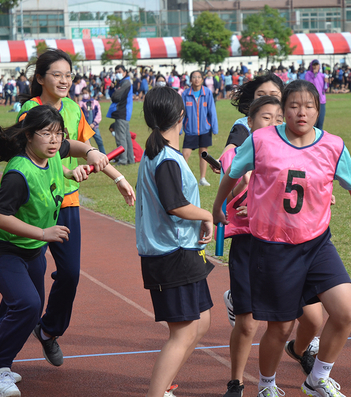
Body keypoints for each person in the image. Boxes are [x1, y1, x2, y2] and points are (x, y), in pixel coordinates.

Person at [213, 79, 351, 397]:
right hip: (274, 247)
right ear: (284, 109)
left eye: (309, 106)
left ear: (318, 109)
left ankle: (317, 377)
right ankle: (267, 385)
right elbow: (232, 174)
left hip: (316, 243)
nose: (302, 112)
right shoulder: (261, 141)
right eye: (294, 106)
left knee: (344, 312)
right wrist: (219, 207)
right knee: (282, 325)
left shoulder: (333, 145)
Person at [0, 105, 107, 397]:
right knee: (28, 305)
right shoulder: (19, 173)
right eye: (46, 134)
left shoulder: (51, 154)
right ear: (29, 135)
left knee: (28, 308)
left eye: (58, 134)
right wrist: (44, 233)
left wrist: (76, 167)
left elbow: (73, 151)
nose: (55, 140)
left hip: (30, 250)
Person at [17, 49, 135, 367]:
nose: (65, 80)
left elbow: (90, 149)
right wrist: (67, 171)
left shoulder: (73, 108)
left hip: (66, 203)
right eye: (57, 74)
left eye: (69, 75)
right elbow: (38, 153)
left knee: (69, 274)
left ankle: (48, 331)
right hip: (34, 205)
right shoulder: (29, 110)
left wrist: (118, 177)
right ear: (40, 78)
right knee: (26, 281)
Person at [136, 87, 214, 397]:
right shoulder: (166, 157)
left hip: (184, 251)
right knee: (182, 332)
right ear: (181, 116)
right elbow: (174, 204)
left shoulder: (163, 154)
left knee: (202, 321)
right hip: (171, 254)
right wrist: (206, 214)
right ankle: (158, 392)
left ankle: (165, 382)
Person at [181, 71, 218, 187]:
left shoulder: (207, 93)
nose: (196, 79)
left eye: (199, 77)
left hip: (205, 129)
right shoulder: (185, 94)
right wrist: (180, 129)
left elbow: (212, 111)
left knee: (203, 154)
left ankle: (202, 178)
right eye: (194, 77)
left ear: (202, 79)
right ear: (190, 80)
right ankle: (184, 178)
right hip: (190, 130)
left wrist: (214, 127)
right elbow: (182, 113)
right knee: (185, 154)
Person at [110, 64, 135, 166]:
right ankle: (130, 159)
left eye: (119, 72)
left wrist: (114, 89)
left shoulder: (125, 83)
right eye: (116, 72)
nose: (117, 74)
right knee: (126, 137)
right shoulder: (124, 82)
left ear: (125, 72)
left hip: (121, 112)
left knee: (121, 138)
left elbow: (115, 97)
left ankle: (123, 160)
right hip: (124, 113)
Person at [79, 86, 106, 154]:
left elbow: (98, 114)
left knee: (99, 141)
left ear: (90, 93)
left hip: (94, 126)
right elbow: (79, 115)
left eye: (86, 93)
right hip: (85, 127)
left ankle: (104, 155)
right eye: (83, 93)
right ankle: (90, 157)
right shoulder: (81, 103)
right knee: (88, 145)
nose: (85, 95)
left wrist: (94, 123)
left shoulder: (95, 102)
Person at [304, 60, 327, 130]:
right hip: (312, 101)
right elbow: (308, 85)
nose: (315, 67)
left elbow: (325, 89)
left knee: (320, 122)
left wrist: (327, 83)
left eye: (317, 65)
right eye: (314, 65)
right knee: (313, 123)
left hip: (321, 101)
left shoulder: (322, 75)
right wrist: (314, 76)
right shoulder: (308, 74)